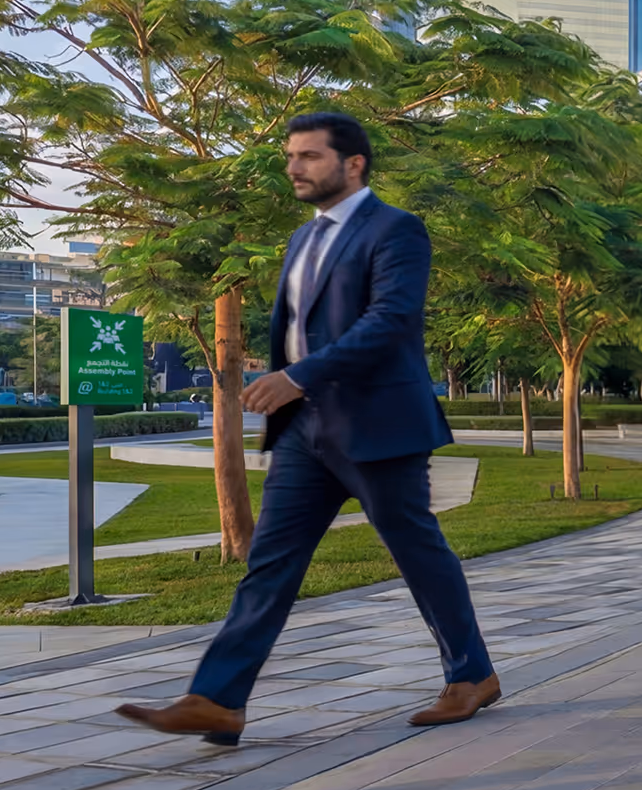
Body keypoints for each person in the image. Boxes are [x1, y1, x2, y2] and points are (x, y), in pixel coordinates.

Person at [116, 111, 499, 746]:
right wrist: (288, 381)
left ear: (354, 164)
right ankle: (218, 699)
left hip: (379, 423)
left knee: (417, 554)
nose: (294, 167)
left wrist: (299, 375)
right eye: (291, 156)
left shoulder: (397, 230)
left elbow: (390, 322)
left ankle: (472, 675)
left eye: (310, 156)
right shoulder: (300, 240)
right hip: (303, 431)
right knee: (269, 562)